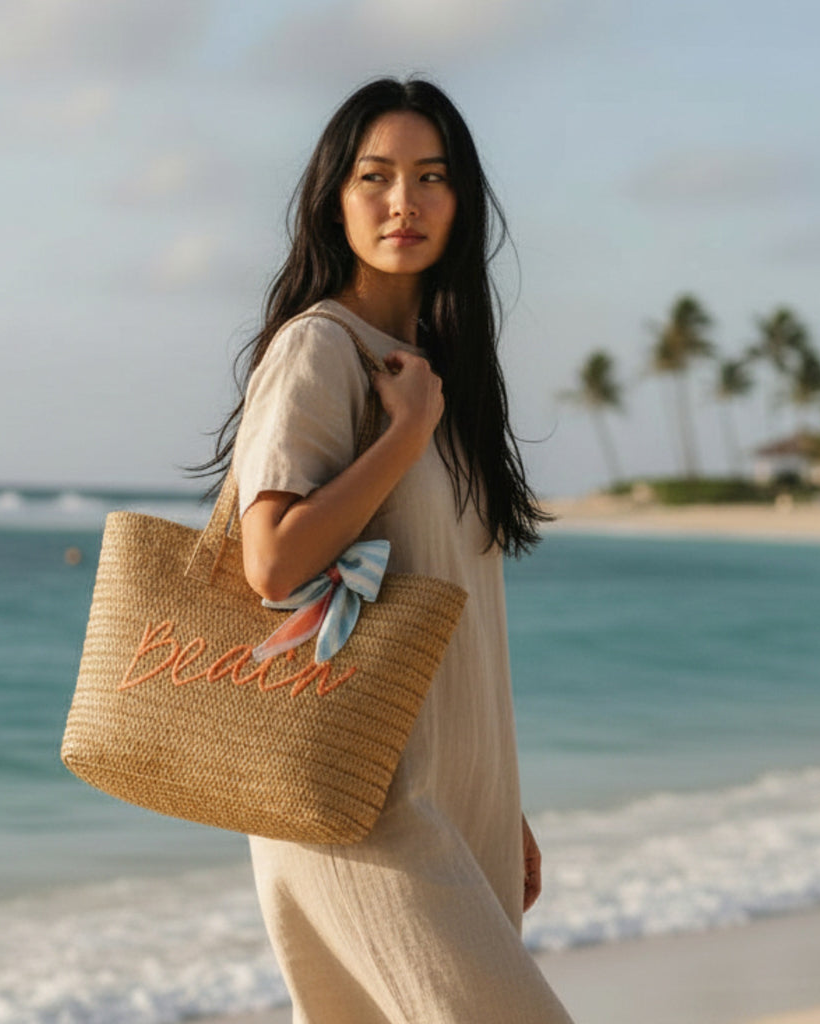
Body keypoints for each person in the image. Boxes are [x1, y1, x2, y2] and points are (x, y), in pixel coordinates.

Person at [203, 77, 573, 1024]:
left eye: (430, 177)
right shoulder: (321, 349)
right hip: (363, 799)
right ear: (335, 196)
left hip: (459, 796)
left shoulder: (449, 384)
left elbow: (453, 610)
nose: (403, 202)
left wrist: (502, 798)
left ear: (463, 201)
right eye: (376, 176)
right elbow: (273, 562)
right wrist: (401, 437)